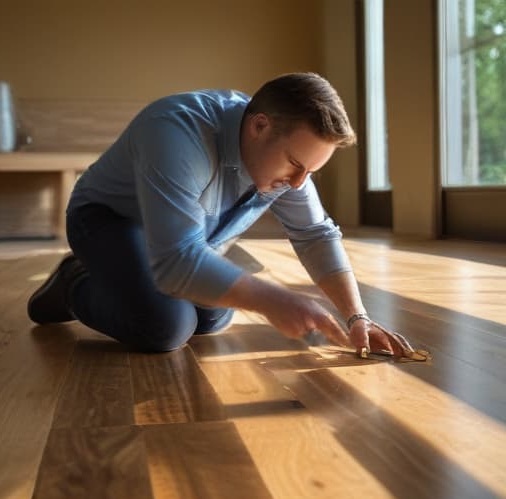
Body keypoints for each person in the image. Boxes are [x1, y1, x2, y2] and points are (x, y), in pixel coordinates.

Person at [27, 72, 408, 357]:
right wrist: (275, 300)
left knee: (210, 319)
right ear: (260, 127)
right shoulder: (175, 132)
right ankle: (74, 283)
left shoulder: (285, 163)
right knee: (167, 326)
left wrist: (358, 317)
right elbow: (176, 260)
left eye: (311, 171)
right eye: (295, 164)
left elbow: (315, 234)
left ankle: (134, 286)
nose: (298, 184)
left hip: (184, 242)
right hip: (106, 221)